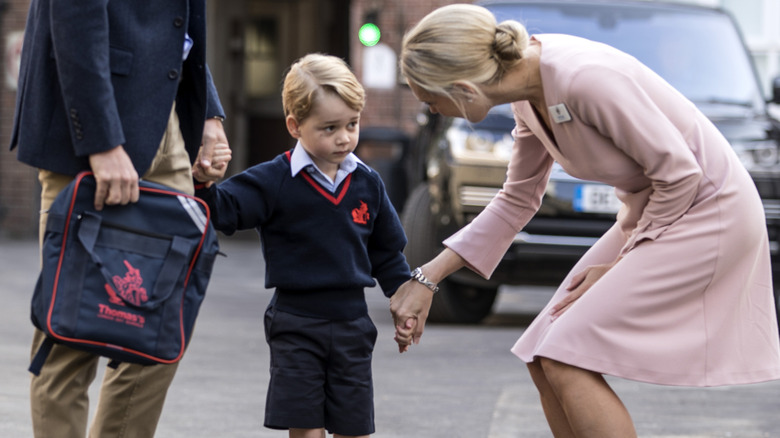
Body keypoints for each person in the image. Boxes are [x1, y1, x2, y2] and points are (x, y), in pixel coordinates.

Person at [390, 4, 780, 437]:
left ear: (463, 87)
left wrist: (617, 267)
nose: (436, 112)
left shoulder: (583, 77)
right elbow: (517, 200)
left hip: (708, 212)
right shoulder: (526, 96)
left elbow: (682, 175)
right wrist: (427, 277)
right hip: (656, 211)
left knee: (566, 353)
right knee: (543, 353)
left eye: (431, 101)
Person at [8, 1, 230, 437]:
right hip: (92, 131)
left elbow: (174, 24)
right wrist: (101, 140)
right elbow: (74, 15)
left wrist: (207, 111)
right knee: (71, 333)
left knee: (161, 333)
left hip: (164, 122)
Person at [194, 53, 409, 438]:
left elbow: (386, 254)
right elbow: (222, 212)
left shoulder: (368, 183)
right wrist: (204, 182)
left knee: (354, 427)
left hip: (352, 325)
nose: (344, 137)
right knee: (306, 428)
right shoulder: (273, 180)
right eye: (329, 128)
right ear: (295, 125)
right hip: (295, 324)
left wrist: (404, 302)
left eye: (352, 124)